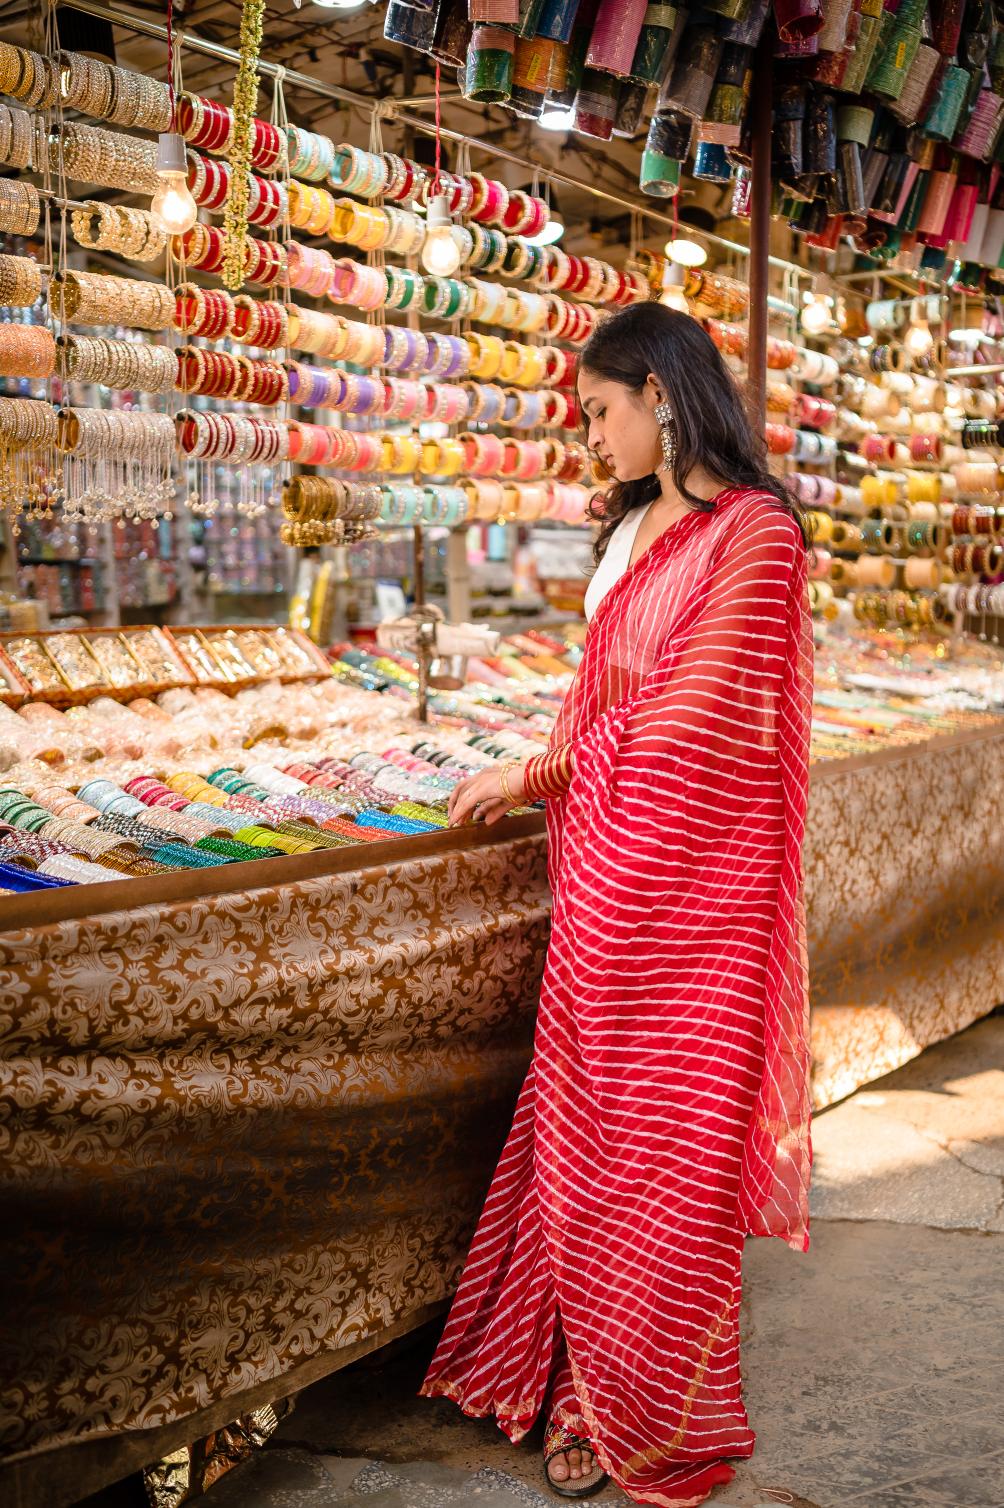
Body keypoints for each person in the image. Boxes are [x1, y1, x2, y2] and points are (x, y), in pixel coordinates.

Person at [420, 303, 814, 1506]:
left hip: (695, 887)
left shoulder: (756, 535)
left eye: (599, 410)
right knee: (589, 1128)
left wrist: (534, 774)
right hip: (601, 867)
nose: (589, 437)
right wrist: (550, 775)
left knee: (669, 1146)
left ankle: (628, 1400)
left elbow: (690, 718)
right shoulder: (629, 525)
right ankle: (562, 1365)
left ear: (659, 393)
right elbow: (605, 696)